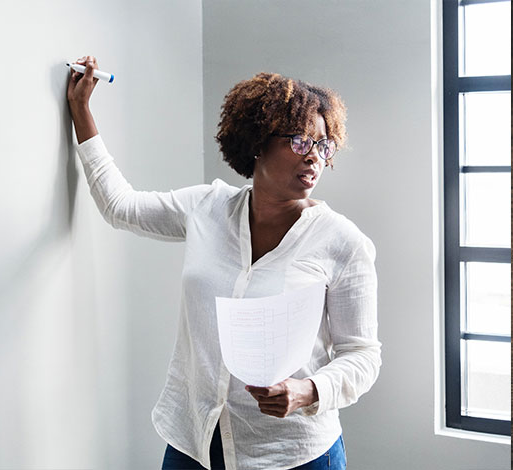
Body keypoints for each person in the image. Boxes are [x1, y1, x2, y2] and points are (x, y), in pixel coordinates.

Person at [66, 55, 381, 470]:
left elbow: (363, 355)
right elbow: (120, 207)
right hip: (193, 442)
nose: (315, 157)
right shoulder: (207, 207)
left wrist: (307, 390)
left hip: (292, 454)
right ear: (257, 142)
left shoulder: (343, 242)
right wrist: (82, 112)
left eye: (324, 145)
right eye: (300, 141)